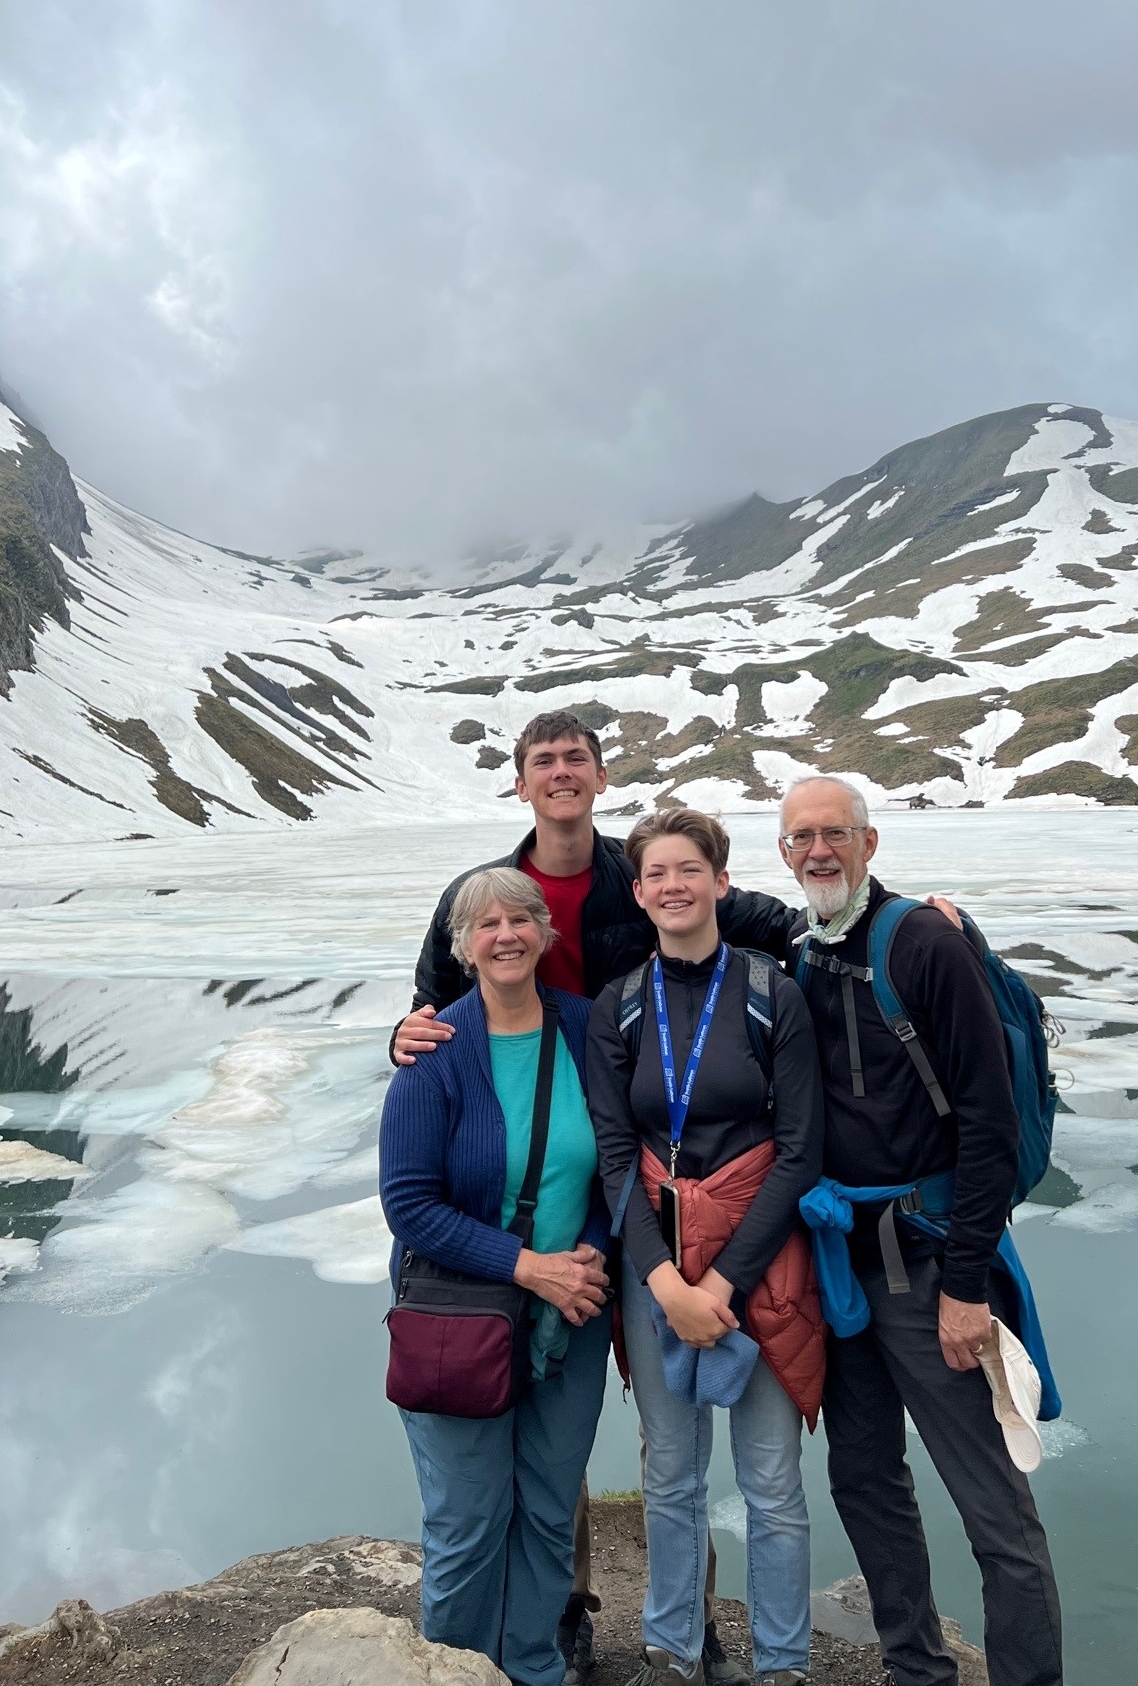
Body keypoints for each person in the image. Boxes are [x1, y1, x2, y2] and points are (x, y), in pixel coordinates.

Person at [392, 710, 796, 1686]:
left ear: (601, 776)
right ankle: (545, 1627)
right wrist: (403, 1040)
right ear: (521, 782)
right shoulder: (481, 902)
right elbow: (426, 1013)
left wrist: (885, 916)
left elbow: (760, 920)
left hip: (622, 1214)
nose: (561, 772)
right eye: (543, 761)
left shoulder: (637, 882)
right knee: (510, 1490)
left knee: (627, 1441)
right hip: (504, 1252)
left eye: (576, 757)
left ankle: (678, 1629)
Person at [776, 775, 1064, 1686]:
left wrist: (966, 1286)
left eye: (835, 833)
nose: (818, 851)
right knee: (865, 1480)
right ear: (784, 853)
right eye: (801, 838)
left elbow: (990, 1122)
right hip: (845, 1269)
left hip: (932, 1264)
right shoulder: (804, 950)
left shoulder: (926, 944)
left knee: (992, 1505)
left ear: (870, 843)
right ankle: (916, 1670)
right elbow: (696, 905)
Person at [588, 810, 825, 1686]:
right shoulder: (618, 1006)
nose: (673, 886)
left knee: (771, 1482)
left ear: (722, 882)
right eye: (656, 873)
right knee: (672, 1476)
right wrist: (663, 1281)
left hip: (759, 1268)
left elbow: (799, 1153)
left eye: (689, 869)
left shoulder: (772, 994)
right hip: (657, 1265)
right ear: (639, 892)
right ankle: (672, 1652)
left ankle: (783, 1664)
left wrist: (719, 1284)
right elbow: (616, 1155)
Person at [379, 867, 613, 1686]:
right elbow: (410, 1205)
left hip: (571, 1315)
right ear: (463, 945)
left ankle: (534, 1667)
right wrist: (529, 1267)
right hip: (458, 1322)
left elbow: (616, 1162)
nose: (506, 935)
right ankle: (457, 1672)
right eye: (487, 924)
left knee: (547, 1512)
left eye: (521, 919)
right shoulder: (434, 1052)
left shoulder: (587, 1028)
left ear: (546, 933)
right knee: (469, 1521)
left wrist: (589, 1252)